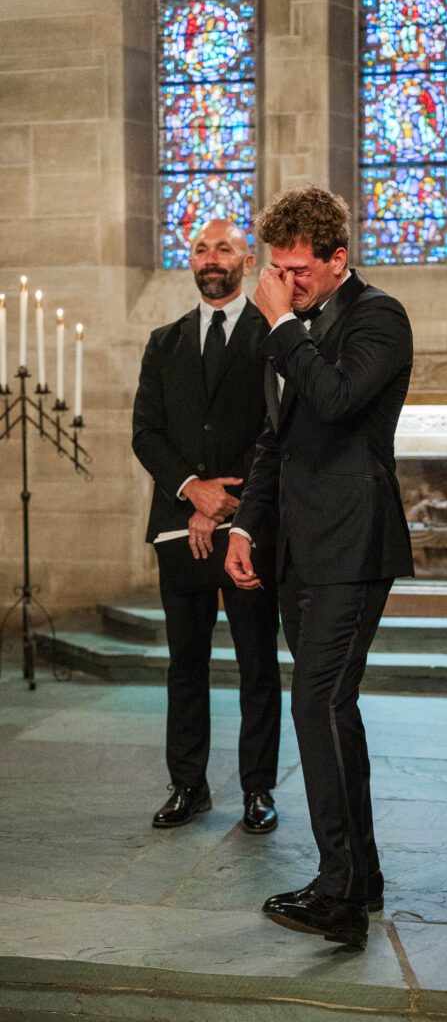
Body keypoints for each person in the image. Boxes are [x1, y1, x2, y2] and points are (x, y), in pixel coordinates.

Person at [225, 185, 414, 949]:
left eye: (298, 270)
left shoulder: (378, 317)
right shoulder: (294, 330)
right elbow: (277, 439)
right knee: (333, 713)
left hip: (354, 544)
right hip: (299, 549)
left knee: (316, 705)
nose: (284, 281)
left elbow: (335, 401)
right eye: (276, 269)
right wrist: (246, 526)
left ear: (338, 260)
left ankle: (338, 896)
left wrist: (278, 323)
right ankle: (358, 876)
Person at [132, 220, 281, 835]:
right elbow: (147, 432)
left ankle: (257, 790)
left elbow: (277, 430)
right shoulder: (163, 341)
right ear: (189, 261)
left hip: (249, 526)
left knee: (256, 663)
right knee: (185, 665)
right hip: (180, 529)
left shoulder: (273, 336)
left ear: (247, 261)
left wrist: (229, 505)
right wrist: (192, 493)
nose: (211, 257)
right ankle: (188, 784)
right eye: (201, 248)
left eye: (224, 248)